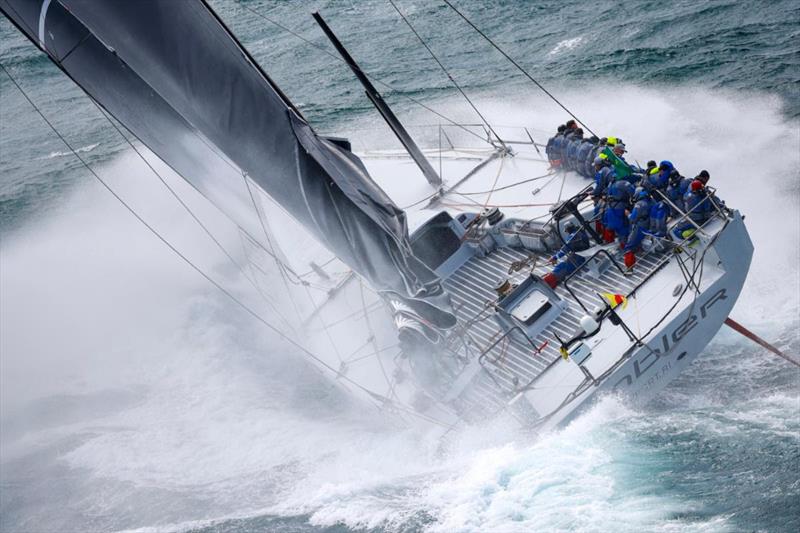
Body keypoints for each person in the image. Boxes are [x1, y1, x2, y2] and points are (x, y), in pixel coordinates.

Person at [543, 221, 589, 288]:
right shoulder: (579, 231)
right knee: (563, 265)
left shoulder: (573, 236)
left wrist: (555, 257)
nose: (567, 232)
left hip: (580, 256)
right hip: (582, 252)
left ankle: (549, 280)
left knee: (564, 267)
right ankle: (553, 277)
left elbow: (566, 248)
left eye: (567, 231)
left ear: (568, 229)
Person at [623, 187, 652, 267]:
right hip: (649, 223)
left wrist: (628, 214)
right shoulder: (650, 200)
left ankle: (629, 267)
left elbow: (633, 219)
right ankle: (639, 248)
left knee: (628, 246)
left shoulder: (639, 204)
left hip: (641, 226)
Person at [603, 177, 634, 245]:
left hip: (610, 209)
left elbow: (606, 194)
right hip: (620, 209)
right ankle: (626, 248)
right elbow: (633, 193)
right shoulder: (624, 183)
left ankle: (613, 242)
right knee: (624, 229)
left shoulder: (611, 184)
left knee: (616, 228)